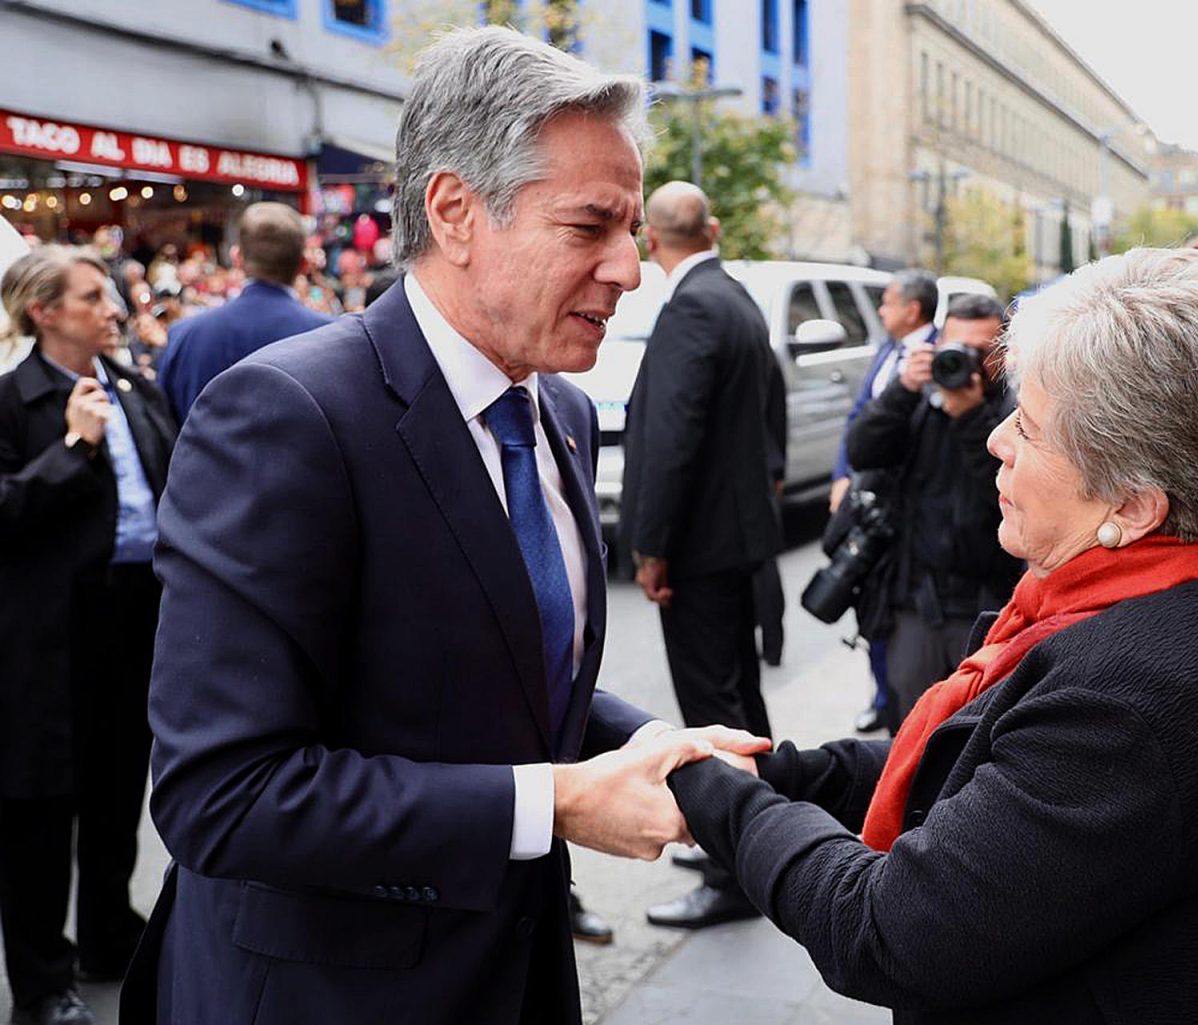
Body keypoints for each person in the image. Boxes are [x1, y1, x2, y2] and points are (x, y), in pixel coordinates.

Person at [119, 28, 764, 1025]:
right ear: (456, 211)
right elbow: (224, 792)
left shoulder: (563, 412)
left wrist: (650, 747)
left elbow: (507, 682)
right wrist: (553, 802)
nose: (631, 268)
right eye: (592, 226)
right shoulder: (289, 416)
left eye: (633, 228)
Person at [666, 247, 1198, 1023]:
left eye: (1027, 428)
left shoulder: (1135, 697)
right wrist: (780, 772)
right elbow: (985, 768)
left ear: (1131, 507)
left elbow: (891, 930)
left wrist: (715, 796)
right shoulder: (1192, 589)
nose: (997, 442)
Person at [0, 246, 177, 1025]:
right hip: (47, 633)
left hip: (136, 616)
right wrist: (73, 448)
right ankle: (42, 978)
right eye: (92, 297)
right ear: (44, 311)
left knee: (116, 785)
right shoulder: (13, 400)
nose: (112, 309)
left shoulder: (136, 386)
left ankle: (109, 932)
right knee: (41, 803)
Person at [619, 181, 785, 929]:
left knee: (714, 712)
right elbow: (769, 411)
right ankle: (756, 840)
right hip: (737, 535)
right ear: (710, 228)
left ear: (652, 239)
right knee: (739, 700)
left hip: (700, 545)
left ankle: (733, 870)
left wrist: (651, 544)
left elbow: (672, 437)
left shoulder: (692, 305)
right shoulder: (737, 296)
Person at [845, 292, 1020, 724]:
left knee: (978, 730)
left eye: (981, 351)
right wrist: (904, 389)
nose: (968, 361)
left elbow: (1011, 498)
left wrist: (971, 418)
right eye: (956, 348)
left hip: (989, 603)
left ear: (1002, 352)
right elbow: (862, 451)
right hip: (917, 599)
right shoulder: (919, 399)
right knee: (912, 728)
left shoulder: (1015, 411)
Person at [832, 269, 939, 734]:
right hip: (866, 499)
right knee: (867, 603)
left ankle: (898, 703)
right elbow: (860, 417)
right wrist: (842, 476)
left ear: (912, 309)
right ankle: (881, 694)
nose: (880, 311)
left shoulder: (940, 354)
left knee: (900, 620)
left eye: (888, 303)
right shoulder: (887, 351)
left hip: (910, 512)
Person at [156, 203, 332, 423]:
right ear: (304, 264)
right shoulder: (332, 338)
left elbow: (163, 427)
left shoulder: (185, 336)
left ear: (237, 257)